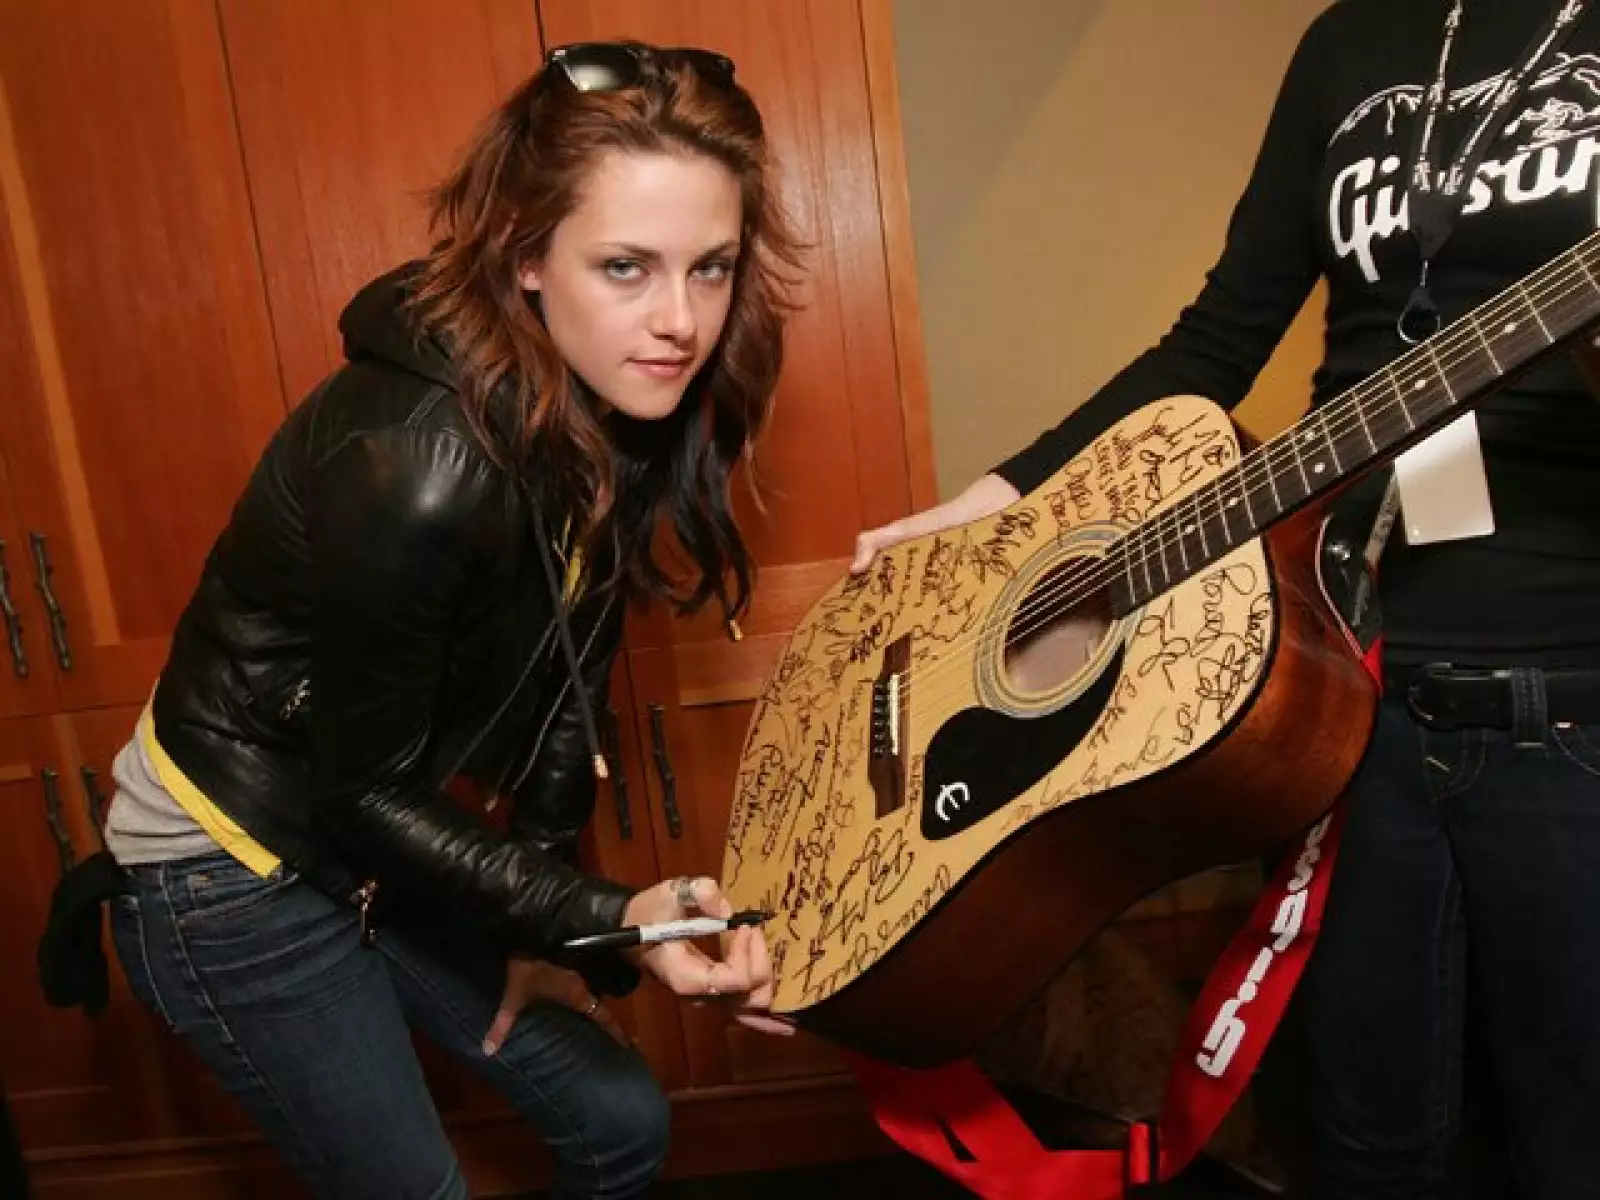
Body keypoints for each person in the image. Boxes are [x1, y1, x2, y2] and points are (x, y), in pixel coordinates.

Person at [855, 2, 1600, 1196]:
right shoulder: (1345, 43)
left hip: (1569, 701)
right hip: (1345, 693)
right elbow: (1212, 342)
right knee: (1365, 1138)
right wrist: (992, 505)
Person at [99, 41, 799, 1200]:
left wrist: (546, 930)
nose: (681, 320)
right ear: (526, 258)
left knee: (619, 1118)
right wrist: (610, 913)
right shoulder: (421, 463)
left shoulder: (612, 398)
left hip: (371, 829)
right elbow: (360, 793)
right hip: (230, 864)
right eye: (625, 267)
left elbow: (570, 683)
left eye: (711, 268)